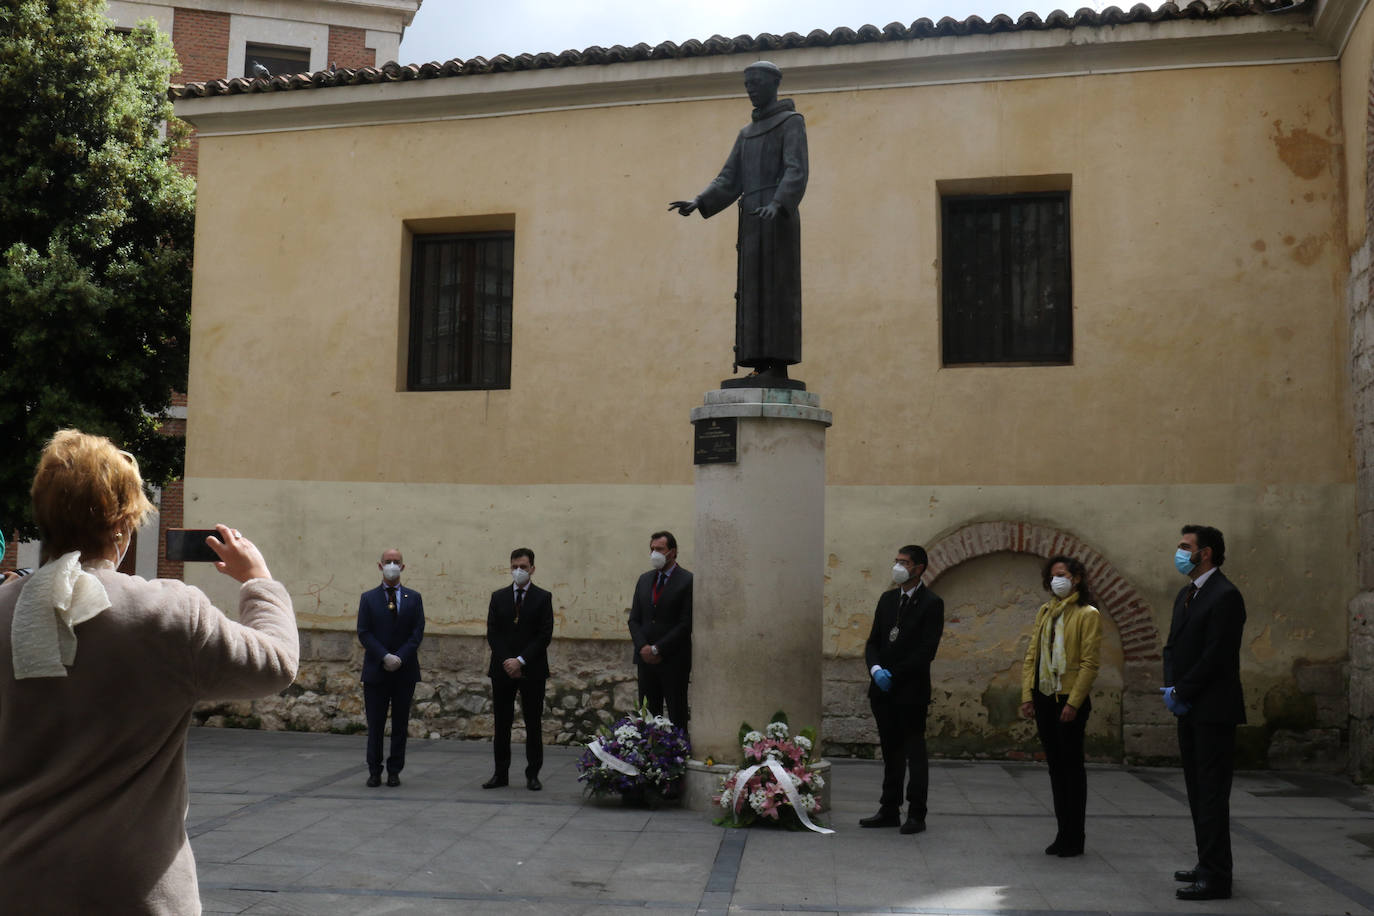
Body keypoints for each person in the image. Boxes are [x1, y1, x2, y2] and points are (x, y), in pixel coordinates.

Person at [0, 429, 298, 914]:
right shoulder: (168, 614)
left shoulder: (3, 609)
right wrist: (257, 581)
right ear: (122, 525)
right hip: (135, 890)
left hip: (18, 883)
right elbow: (276, 664)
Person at [669, 60, 808, 382]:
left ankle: (779, 365)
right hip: (751, 219)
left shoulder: (791, 122)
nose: (750, 89)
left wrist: (778, 203)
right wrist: (699, 201)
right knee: (752, 291)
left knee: (776, 289)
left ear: (774, 84)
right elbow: (729, 177)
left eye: (756, 83)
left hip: (777, 217)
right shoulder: (746, 134)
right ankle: (760, 364)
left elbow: (796, 169)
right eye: (747, 84)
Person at [1163, 525, 1246, 901]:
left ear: (1206, 553)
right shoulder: (1188, 593)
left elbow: (1217, 655)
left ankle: (1216, 877)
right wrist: (1171, 687)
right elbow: (1173, 647)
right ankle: (1206, 862)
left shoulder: (1225, 596)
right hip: (1189, 708)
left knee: (1212, 794)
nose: (1180, 552)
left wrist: (1184, 689)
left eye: (1186, 547)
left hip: (1213, 710)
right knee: (1197, 792)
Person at [1019, 555, 1103, 858]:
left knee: (1071, 768)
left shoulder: (1087, 614)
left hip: (1069, 699)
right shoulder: (1045, 611)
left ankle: (1074, 836)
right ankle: (1061, 832)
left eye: (1063, 574)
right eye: (1054, 575)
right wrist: (1027, 695)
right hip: (1044, 696)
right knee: (1055, 768)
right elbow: (1032, 655)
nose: (1058, 580)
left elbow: (1089, 664)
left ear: (1076, 578)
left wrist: (1074, 702)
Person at [861, 544, 944, 835]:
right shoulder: (887, 600)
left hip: (911, 691)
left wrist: (893, 673)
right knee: (890, 750)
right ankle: (889, 808)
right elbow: (873, 642)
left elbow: (926, 651)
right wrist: (875, 670)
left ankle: (917, 813)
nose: (898, 566)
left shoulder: (931, 604)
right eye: (896, 560)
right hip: (882, 690)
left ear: (919, 568)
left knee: (913, 751)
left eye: (904, 562)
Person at [483, 547, 555, 791]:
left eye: (523, 567)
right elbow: (493, 632)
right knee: (501, 722)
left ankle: (533, 774)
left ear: (532, 569)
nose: (518, 571)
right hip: (502, 668)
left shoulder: (543, 598)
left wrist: (521, 661)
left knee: (533, 722)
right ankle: (500, 773)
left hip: (531, 669)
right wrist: (507, 661)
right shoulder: (499, 597)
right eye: (514, 566)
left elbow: (544, 635)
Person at [357, 548, 425, 787]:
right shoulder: (369, 598)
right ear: (380, 566)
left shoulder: (413, 598)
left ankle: (395, 770)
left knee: (400, 724)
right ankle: (374, 770)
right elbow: (364, 632)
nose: (392, 565)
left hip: (404, 671)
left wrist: (400, 657)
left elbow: (417, 633)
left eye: (396, 562)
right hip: (377, 670)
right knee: (375, 725)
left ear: (403, 567)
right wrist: (384, 656)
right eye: (388, 562)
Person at [627, 530, 693, 728]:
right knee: (647, 713)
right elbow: (634, 619)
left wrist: (658, 648)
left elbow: (685, 623)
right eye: (652, 549)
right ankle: (649, 754)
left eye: (659, 549)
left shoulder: (687, 581)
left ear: (672, 552)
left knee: (676, 712)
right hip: (645, 659)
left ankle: (679, 753)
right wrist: (643, 647)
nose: (654, 553)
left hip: (673, 659)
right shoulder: (645, 580)